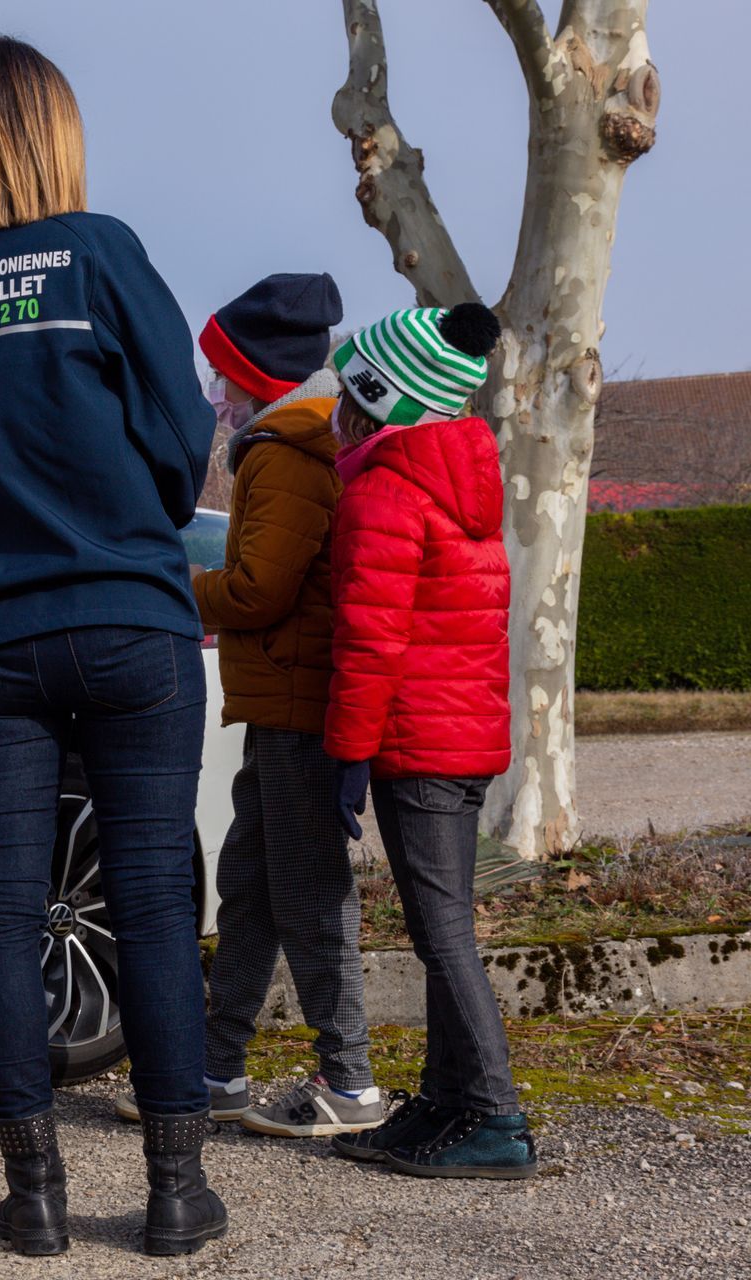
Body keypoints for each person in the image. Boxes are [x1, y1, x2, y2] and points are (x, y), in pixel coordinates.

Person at [0, 35, 225, 1258]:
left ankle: (35, 1193)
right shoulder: (98, 252)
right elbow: (181, 436)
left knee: (2, 914)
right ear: (54, 133)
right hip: (132, 624)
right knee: (157, 905)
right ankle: (175, 1193)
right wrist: (126, 519)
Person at [113, 274, 385, 1139]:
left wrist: (168, 584)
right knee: (251, 888)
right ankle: (216, 1068)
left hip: (298, 706)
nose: (217, 397)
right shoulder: (304, 442)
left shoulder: (282, 452)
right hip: (283, 703)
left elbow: (259, 590)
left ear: (260, 373)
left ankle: (350, 1084)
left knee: (307, 893)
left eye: (225, 377)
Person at [321, 302, 538, 1179]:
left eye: (348, 396)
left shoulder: (383, 492)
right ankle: (449, 1103)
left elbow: (371, 639)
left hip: (419, 745)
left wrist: (347, 754)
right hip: (467, 739)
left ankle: (495, 1118)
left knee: (442, 932)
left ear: (379, 404)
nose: (334, 410)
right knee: (441, 927)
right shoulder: (460, 479)